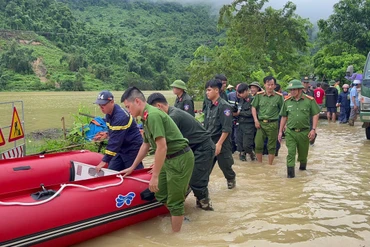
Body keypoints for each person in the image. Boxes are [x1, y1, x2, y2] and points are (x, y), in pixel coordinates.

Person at [120, 87, 194, 232]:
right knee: (160, 193)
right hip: (169, 159)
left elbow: (162, 147)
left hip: (179, 158)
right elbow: (146, 144)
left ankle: (176, 237)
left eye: (128, 107)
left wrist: (154, 176)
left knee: (175, 201)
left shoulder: (153, 115)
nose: (128, 111)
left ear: (137, 101)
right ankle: (178, 217)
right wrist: (133, 167)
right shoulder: (146, 117)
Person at [147, 93, 215, 211]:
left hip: (203, 147)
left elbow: (165, 146)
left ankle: (206, 207)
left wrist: (158, 163)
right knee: (190, 178)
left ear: (159, 106)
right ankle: (198, 203)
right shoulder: (170, 113)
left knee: (196, 180)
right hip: (192, 147)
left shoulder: (173, 117)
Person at [278, 80, 320, 178]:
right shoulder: (287, 101)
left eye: (294, 89)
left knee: (303, 155)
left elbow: (316, 114)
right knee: (291, 153)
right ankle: (290, 177)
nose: (292, 91)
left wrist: (313, 129)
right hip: (290, 132)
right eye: (290, 90)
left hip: (304, 132)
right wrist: (280, 132)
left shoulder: (309, 100)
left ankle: (302, 170)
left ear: (300, 89)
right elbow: (284, 116)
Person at [94, 90, 144, 172]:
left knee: (134, 172)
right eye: (99, 105)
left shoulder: (120, 117)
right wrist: (107, 134)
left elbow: (115, 141)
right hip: (120, 148)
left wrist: (104, 161)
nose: (101, 107)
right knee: (111, 171)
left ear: (112, 102)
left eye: (103, 104)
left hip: (132, 147)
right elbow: (114, 132)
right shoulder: (108, 115)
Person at [204, 79, 236, 189]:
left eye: (209, 90)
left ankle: (231, 181)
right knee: (204, 168)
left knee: (226, 166)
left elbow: (227, 128)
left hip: (222, 141)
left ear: (217, 90)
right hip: (209, 141)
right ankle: (203, 189)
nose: (207, 93)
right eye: (206, 90)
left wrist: (219, 144)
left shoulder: (224, 106)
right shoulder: (209, 105)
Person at [251, 76, 284, 165]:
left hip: (273, 124)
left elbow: (284, 111)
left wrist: (284, 125)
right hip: (260, 124)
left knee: (272, 146)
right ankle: (260, 165)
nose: (270, 87)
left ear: (274, 85)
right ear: (264, 85)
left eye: (272, 85)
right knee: (258, 145)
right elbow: (253, 107)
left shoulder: (279, 97)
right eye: (268, 85)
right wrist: (256, 120)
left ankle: (270, 165)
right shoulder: (259, 96)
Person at [234, 83, 256, 161]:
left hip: (249, 125)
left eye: (242, 93)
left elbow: (251, 113)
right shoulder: (240, 100)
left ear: (247, 91)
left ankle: (251, 154)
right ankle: (243, 158)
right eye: (239, 93)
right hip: (240, 124)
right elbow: (237, 110)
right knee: (240, 145)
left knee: (247, 145)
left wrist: (239, 113)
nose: (241, 95)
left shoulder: (253, 100)